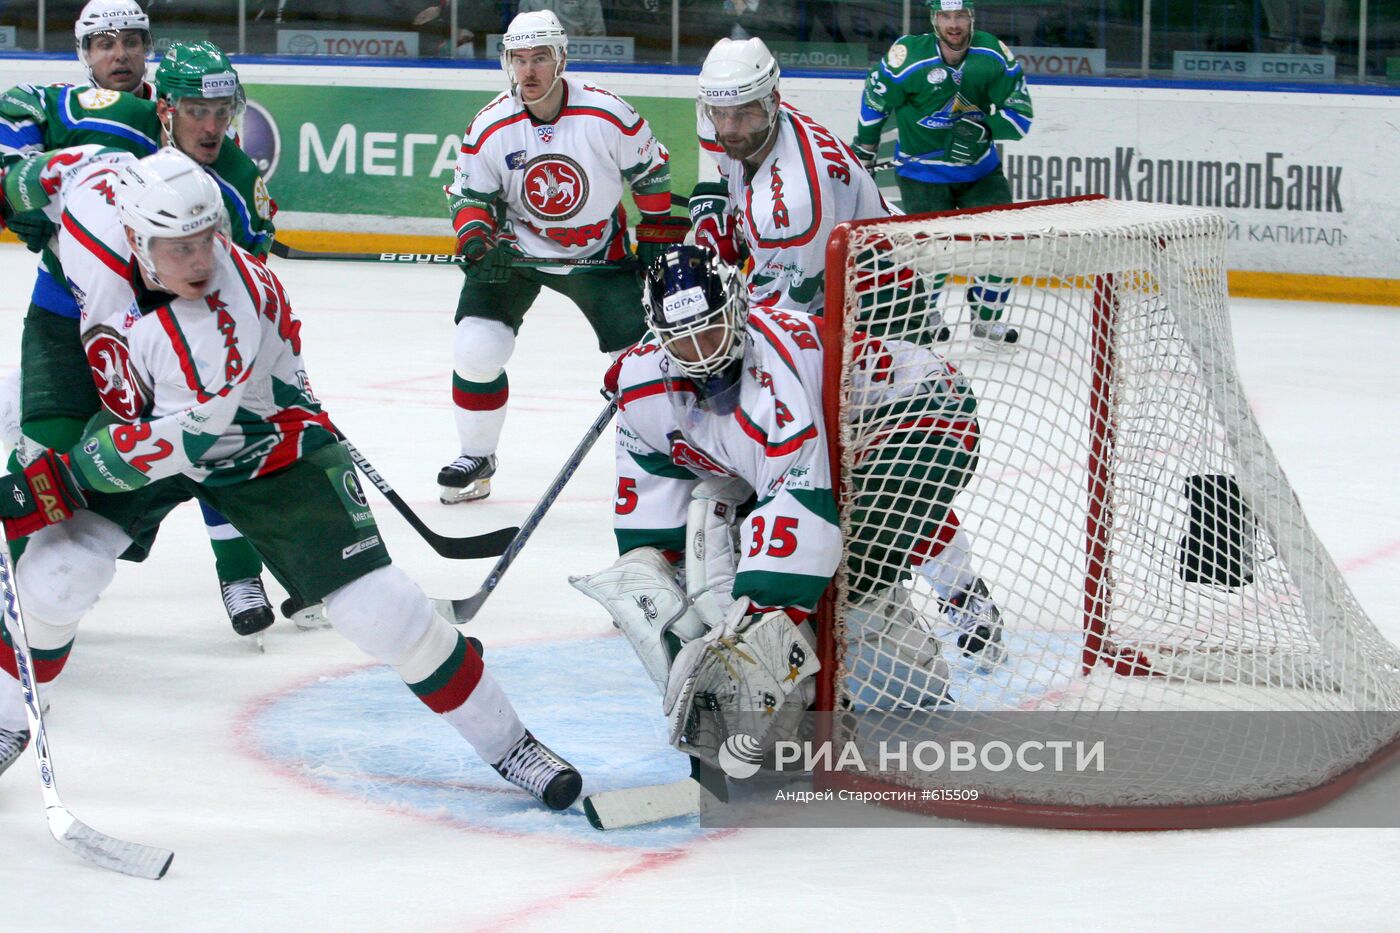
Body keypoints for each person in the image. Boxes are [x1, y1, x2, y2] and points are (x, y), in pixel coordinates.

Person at [0, 147, 583, 812]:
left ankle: (511, 742)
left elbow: (180, 439)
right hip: (143, 413)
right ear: (134, 235)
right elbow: (57, 172)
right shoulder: (95, 206)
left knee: (381, 609)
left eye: (205, 240)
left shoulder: (221, 313)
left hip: (256, 440)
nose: (199, 261)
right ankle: (8, 719)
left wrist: (53, 481)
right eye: (178, 247)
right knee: (56, 570)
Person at [570, 246, 1005, 768]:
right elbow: (652, 498)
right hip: (840, 431)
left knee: (851, 569)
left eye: (711, 330)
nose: (702, 351)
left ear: (736, 309)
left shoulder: (773, 385)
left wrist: (755, 640)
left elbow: (803, 525)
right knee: (727, 537)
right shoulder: (641, 389)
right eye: (683, 340)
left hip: (921, 413)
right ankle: (884, 689)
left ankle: (902, 688)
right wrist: (664, 579)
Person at [0, 40, 292, 638]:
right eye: (195, 110)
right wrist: (17, 164)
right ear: (164, 108)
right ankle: (19, 587)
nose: (211, 126)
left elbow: (241, 290)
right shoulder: (115, 118)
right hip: (67, 312)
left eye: (222, 111)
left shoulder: (237, 185)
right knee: (44, 449)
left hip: (161, 335)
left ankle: (240, 574)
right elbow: (23, 100)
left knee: (209, 440)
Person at [438, 10, 685, 503]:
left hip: (600, 252)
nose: (528, 72)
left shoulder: (607, 114)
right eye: (519, 59)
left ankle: (652, 459)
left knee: (637, 364)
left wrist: (656, 233)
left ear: (562, 60)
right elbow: (470, 196)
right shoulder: (490, 125)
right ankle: (478, 455)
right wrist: (475, 241)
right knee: (476, 348)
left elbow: (651, 172)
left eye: (540, 59)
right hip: (518, 252)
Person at [852, 0, 1034, 344]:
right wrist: (865, 147)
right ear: (934, 20)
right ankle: (925, 315)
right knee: (929, 253)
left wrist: (987, 128)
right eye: (946, 16)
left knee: (1006, 242)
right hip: (923, 175)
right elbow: (876, 99)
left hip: (980, 172)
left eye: (961, 16)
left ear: (972, 19)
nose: (954, 24)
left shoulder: (992, 54)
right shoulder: (909, 57)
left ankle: (986, 317)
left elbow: (1021, 114)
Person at [689, 36, 896, 319]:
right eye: (720, 113)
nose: (729, 128)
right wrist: (723, 214)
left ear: (773, 102)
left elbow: (770, 322)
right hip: (828, 266)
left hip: (879, 303)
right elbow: (734, 179)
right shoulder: (720, 127)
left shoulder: (793, 204)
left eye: (743, 112)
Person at [515, 0, 604, 37]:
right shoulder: (528, 1)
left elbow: (597, 31)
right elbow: (520, 30)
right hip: (540, 52)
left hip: (576, 53)